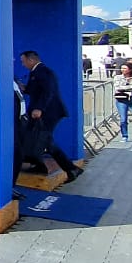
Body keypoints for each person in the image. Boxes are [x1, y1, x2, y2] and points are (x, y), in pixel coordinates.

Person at [21, 50, 82, 181]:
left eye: (23, 61)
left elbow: (49, 91)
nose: (23, 64)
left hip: (48, 113)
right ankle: (39, 164)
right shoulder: (35, 72)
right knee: (36, 139)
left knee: (46, 141)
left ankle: (71, 168)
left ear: (31, 60)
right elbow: (35, 90)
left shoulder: (43, 72)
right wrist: (23, 88)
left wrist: (39, 108)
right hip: (42, 112)